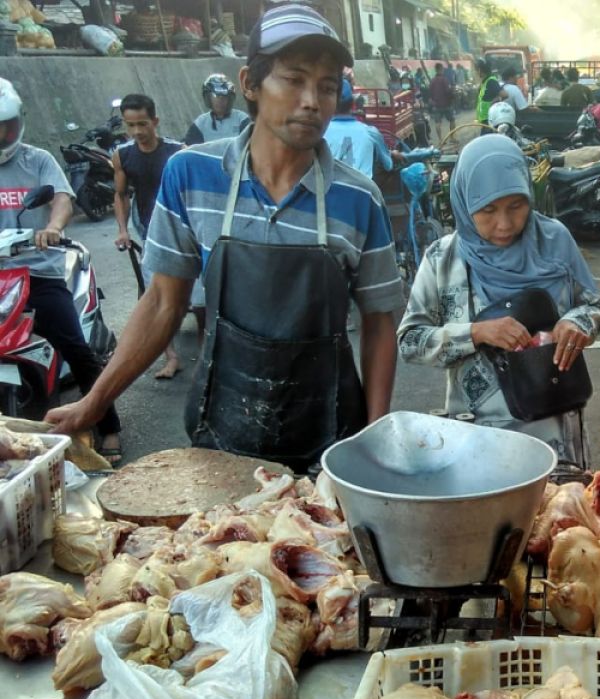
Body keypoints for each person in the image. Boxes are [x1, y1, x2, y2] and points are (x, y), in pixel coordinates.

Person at [47, 3, 404, 473]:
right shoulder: (191, 175)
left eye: (326, 86)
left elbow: (379, 325)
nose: (312, 101)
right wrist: (93, 403)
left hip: (329, 444)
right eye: (293, 79)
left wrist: (370, 445)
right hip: (221, 434)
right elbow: (162, 303)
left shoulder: (359, 199)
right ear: (249, 85)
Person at [398, 135, 600, 474]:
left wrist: (577, 323)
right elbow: (409, 342)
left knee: (562, 521)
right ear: (464, 202)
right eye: (488, 210)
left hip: (556, 435)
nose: (505, 224)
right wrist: (475, 333)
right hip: (476, 441)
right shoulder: (442, 259)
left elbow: (593, 306)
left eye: (516, 205)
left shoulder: (554, 241)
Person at [0, 79, 123, 462]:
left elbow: (62, 198)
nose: (1, 133)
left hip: (38, 271)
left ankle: (109, 426)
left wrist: (52, 228)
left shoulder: (37, 160)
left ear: (19, 121)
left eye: (6, 125)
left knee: (76, 346)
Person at [112, 93, 188, 380]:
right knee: (157, 296)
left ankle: (207, 355)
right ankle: (171, 357)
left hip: (181, 231)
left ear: (155, 121)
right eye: (130, 126)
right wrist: (122, 230)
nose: (137, 132)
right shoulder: (122, 156)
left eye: (142, 124)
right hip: (149, 230)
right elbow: (120, 195)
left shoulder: (178, 152)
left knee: (198, 297)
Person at [323, 78, 403, 181]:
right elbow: (388, 165)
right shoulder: (370, 132)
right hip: (362, 194)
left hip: (329, 193)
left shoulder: (320, 133)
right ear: (353, 104)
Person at [185, 73, 251, 145]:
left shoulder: (241, 119)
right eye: (216, 96)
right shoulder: (201, 123)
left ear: (230, 98)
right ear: (208, 97)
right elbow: (187, 148)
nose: (220, 100)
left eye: (224, 96)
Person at [426, 63, 456, 143]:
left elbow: (430, 93)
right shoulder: (444, 80)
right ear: (441, 69)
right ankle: (452, 138)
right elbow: (448, 91)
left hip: (436, 105)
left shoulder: (432, 81)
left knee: (437, 122)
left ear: (435, 70)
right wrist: (453, 95)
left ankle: (440, 140)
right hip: (446, 104)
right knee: (452, 120)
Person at [475, 58, 503, 126]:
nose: (476, 72)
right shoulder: (485, 81)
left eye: (476, 70)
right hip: (485, 118)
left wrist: (493, 103)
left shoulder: (491, 81)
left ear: (479, 70)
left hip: (489, 119)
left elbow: (504, 94)